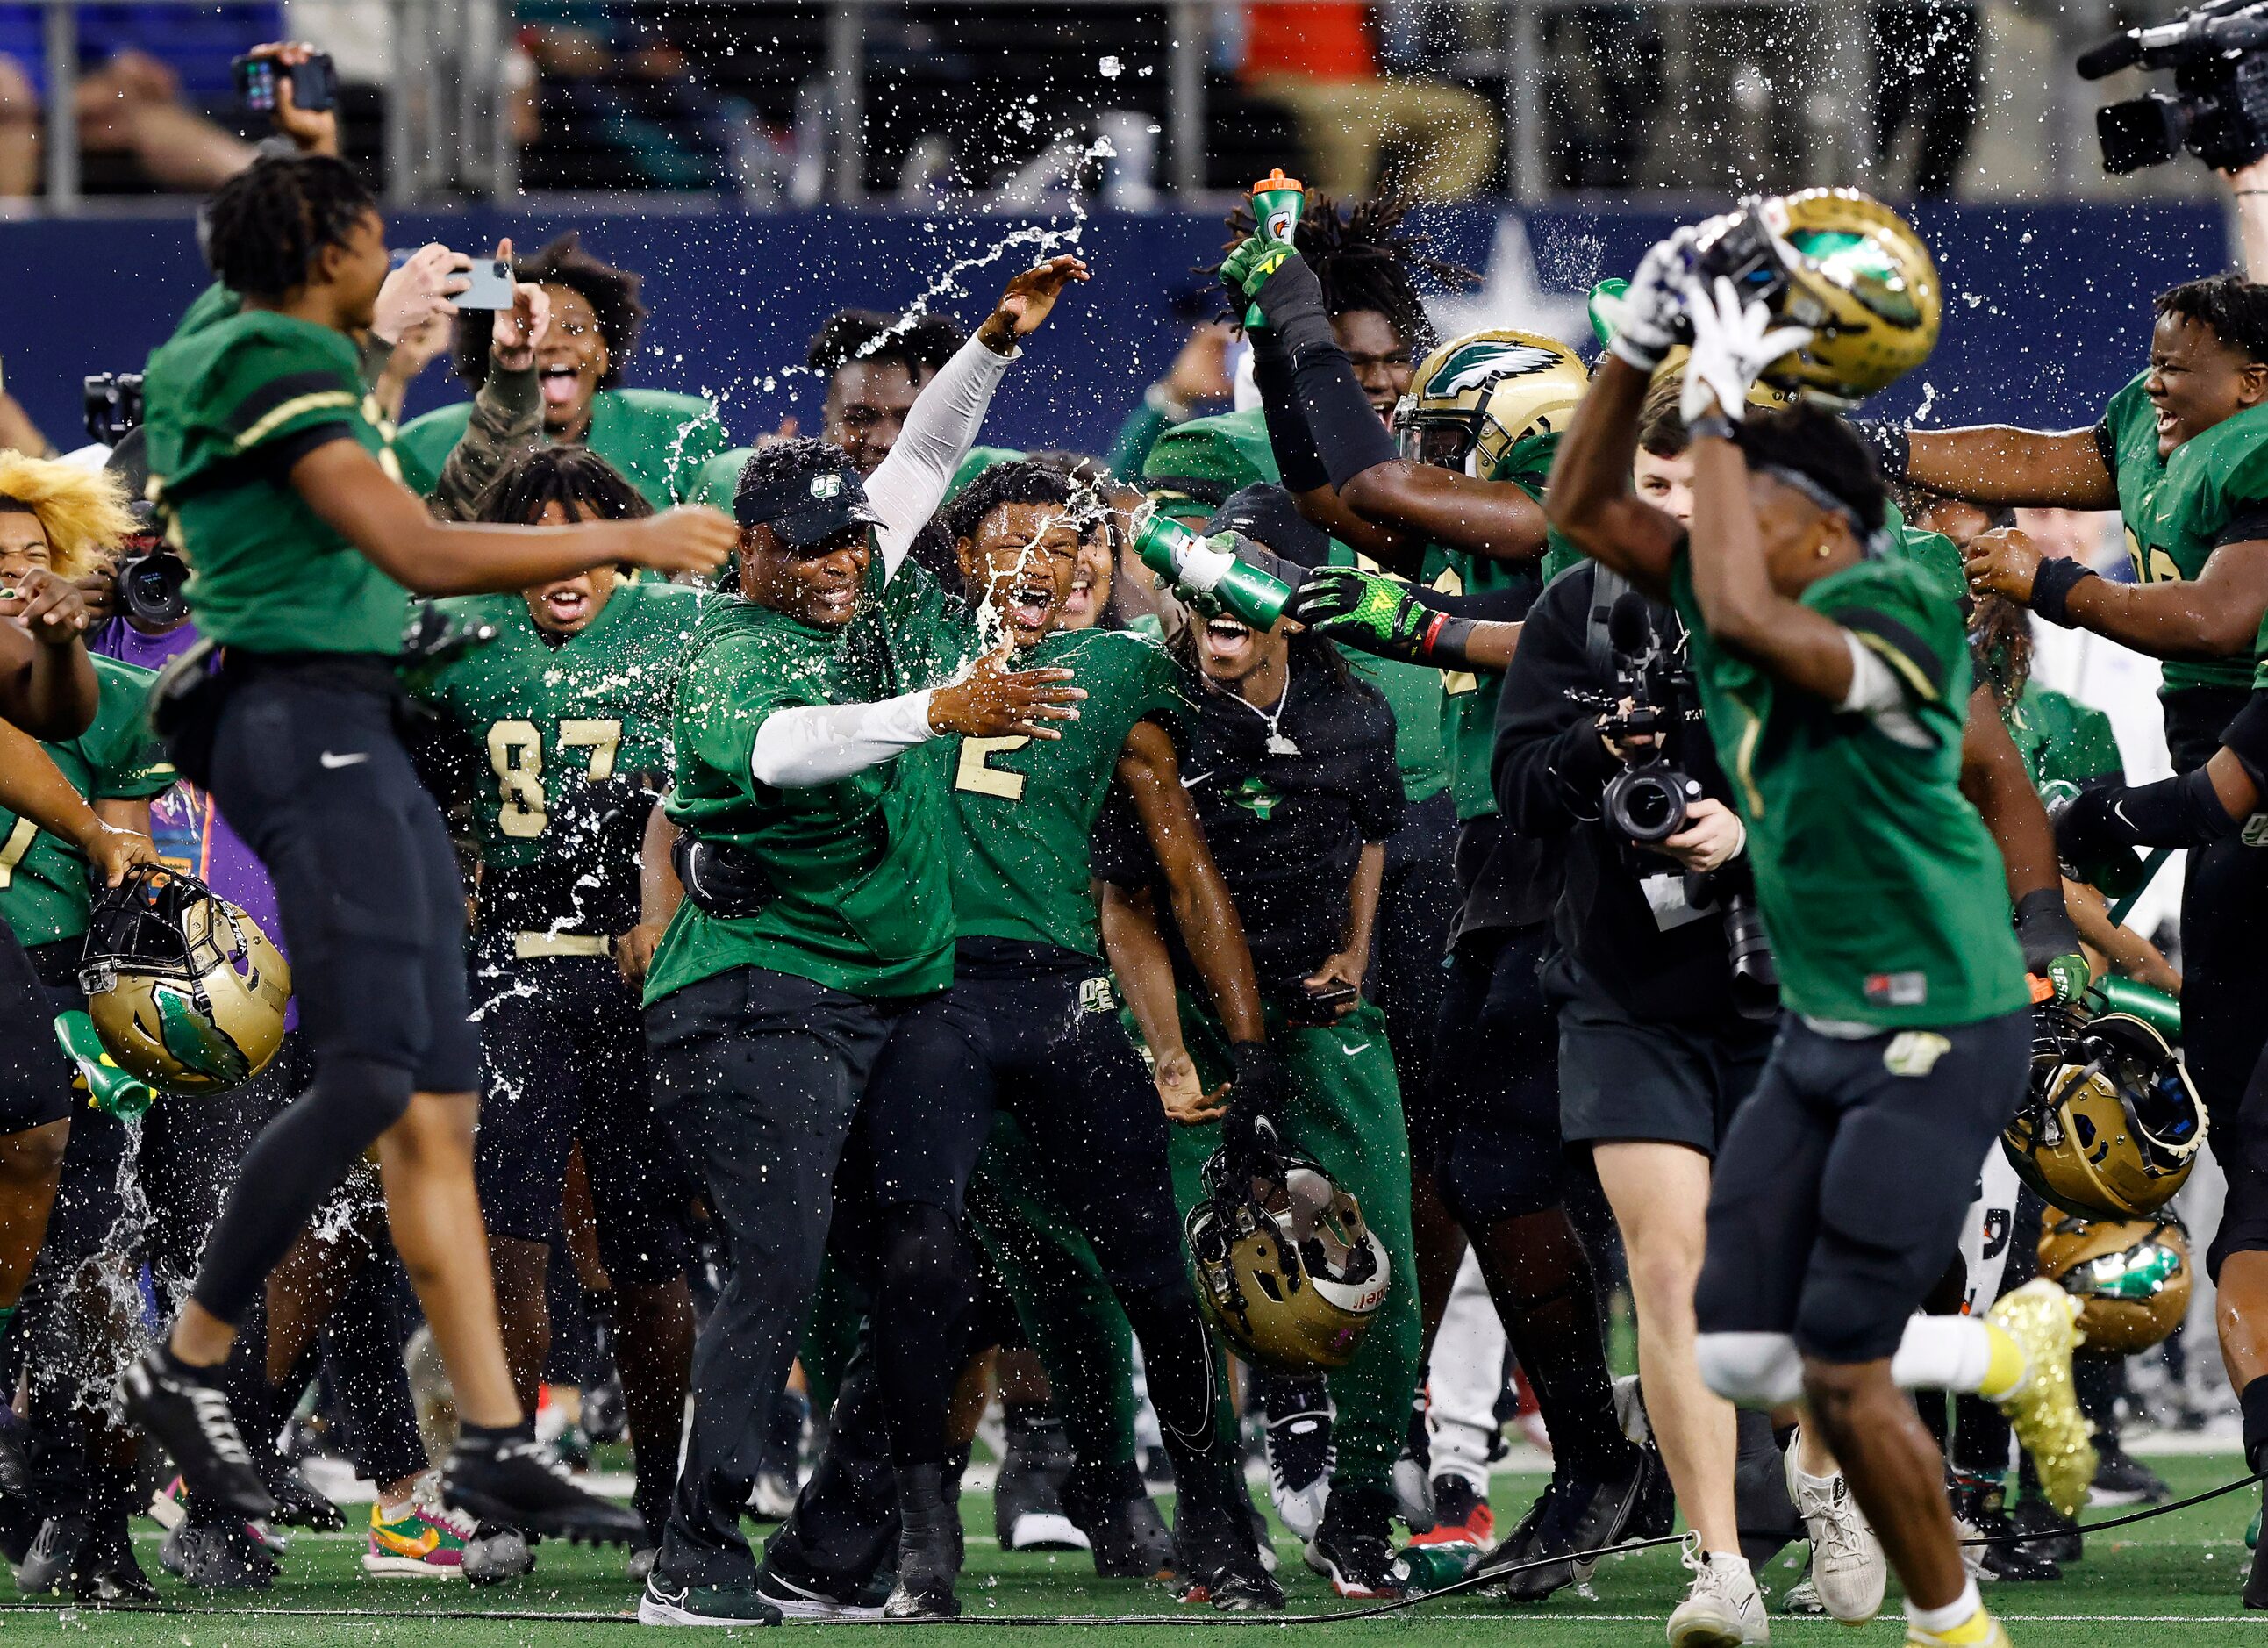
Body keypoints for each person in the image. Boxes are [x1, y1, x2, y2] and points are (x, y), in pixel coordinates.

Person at [118, 152, 733, 1546]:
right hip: (303, 712)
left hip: (338, 709)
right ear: (320, 253)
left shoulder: (270, 353)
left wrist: (408, 332)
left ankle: (498, 1445)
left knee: (439, 1089)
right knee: (378, 1080)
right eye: (377, 244)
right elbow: (419, 543)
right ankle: (191, 1358)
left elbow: (416, 481)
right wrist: (635, 530)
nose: (410, 266)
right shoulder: (273, 358)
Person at [1548, 257, 2094, 1648]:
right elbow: (1576, 506)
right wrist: (1640, 344)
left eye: (1750, 498)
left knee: (1841, 1357)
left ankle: (1953, 1625)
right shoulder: (1746, 582)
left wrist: (1720, 387)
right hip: (1824, 1012)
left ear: (1827, 526)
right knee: (1739, 1345)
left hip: (1947, 1010)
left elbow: (1735, 608)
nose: (1718, 522)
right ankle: (1999, 1350)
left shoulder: (1897, 604)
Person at [633, 319, 1085, 1625]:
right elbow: (784, 747)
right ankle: (692, 1553)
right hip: (757, 996)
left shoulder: (858, 564)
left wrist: (994, 343)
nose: (841, 565)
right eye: (812, 547)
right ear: (750, 552)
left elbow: (931, 447)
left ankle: (834, 1546)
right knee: (776, 1265)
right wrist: (931, 712)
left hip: (898, 994)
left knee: (934, 1269)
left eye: (854, 541)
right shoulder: (729, 648)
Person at [1231, 222, 1653, 1586]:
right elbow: (1336, 488)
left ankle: (1758, 1456)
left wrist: (1300, 308)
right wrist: (1270, 339)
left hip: (1608, 874)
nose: (1436, 462)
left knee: (1648, 1188)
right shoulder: (1521, 525)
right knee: (1488, 1167)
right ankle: (1601, 1456)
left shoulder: (1580, 513)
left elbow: (1378, 492)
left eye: (1456, 439)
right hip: (1510, 875)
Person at [788, 459, 1280, 1617]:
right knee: (921, 1264)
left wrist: (1247, 1056)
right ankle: (922, 1548)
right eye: (1005, 545)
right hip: (930, 1003)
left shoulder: (1115, 671)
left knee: (1158, 1277)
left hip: (1065, 1005)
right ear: (959, 557)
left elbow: (1184, 867)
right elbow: (909, 472)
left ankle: (1224, 1524)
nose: (1028, 566)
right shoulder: (904, 644)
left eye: (1054, 550)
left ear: (1080, 570)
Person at [1872, 274, 2268, 1535]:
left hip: (2245, 775)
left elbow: (2216, 614)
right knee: (2246, 1168)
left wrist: (2043, 583)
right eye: (2152, 360)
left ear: (2253, 384)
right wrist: (1883, 447)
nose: (2156, 382)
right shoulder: (2156, 425)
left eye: (2183, 367)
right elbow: (2053, 455)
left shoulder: (2262, 450)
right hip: (2230, 812)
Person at [1099, 484, 1418, 1599]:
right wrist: (1169, 1053)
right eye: (1207, 575)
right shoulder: (1146, 702)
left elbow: (1373, 832)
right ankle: (1215, 1521)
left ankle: (1363, 1509)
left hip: (1322, 1018)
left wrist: (1355, 953)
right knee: (1195, 1273)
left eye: (1252, 578)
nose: (1221, 603)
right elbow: (1126, 901)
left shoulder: (1354, 708)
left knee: (1380, 1266)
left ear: (1292, 603)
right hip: (1187, 1021)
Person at [408, 445, 710, 1578]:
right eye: (534, 535)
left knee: (647, 1244)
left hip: (649, 974)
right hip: (516, 972)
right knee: (508, 1234)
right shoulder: (461, 641)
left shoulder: (687, 630)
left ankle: (668, 1489)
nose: (561, 558)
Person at [397, 233, 731, 512]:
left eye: (574, 328)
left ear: (604, 354)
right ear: (495, 354)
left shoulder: (679, 428)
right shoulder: (424, 445)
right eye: (532, 330)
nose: (553, 344)